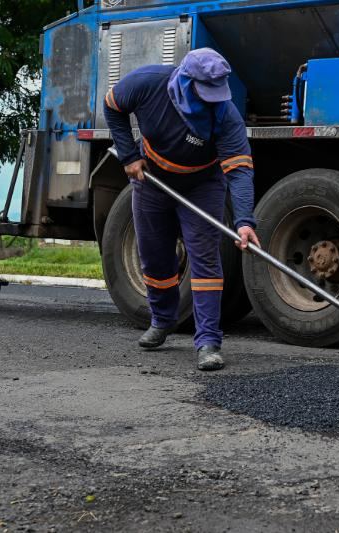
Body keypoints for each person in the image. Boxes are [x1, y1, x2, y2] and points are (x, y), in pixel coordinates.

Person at [104, 48, 260, 371]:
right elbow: (112, 106)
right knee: (155, 255)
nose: (212, 102)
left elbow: (240, 169)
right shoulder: (147, 83)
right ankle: (162, 320)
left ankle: (208, 341)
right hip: (152, 180)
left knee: (204, 257)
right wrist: (129, 155)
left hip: (202, 186)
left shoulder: (225, 114)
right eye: (205, 95)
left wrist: (245, 221)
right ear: (185, 83)